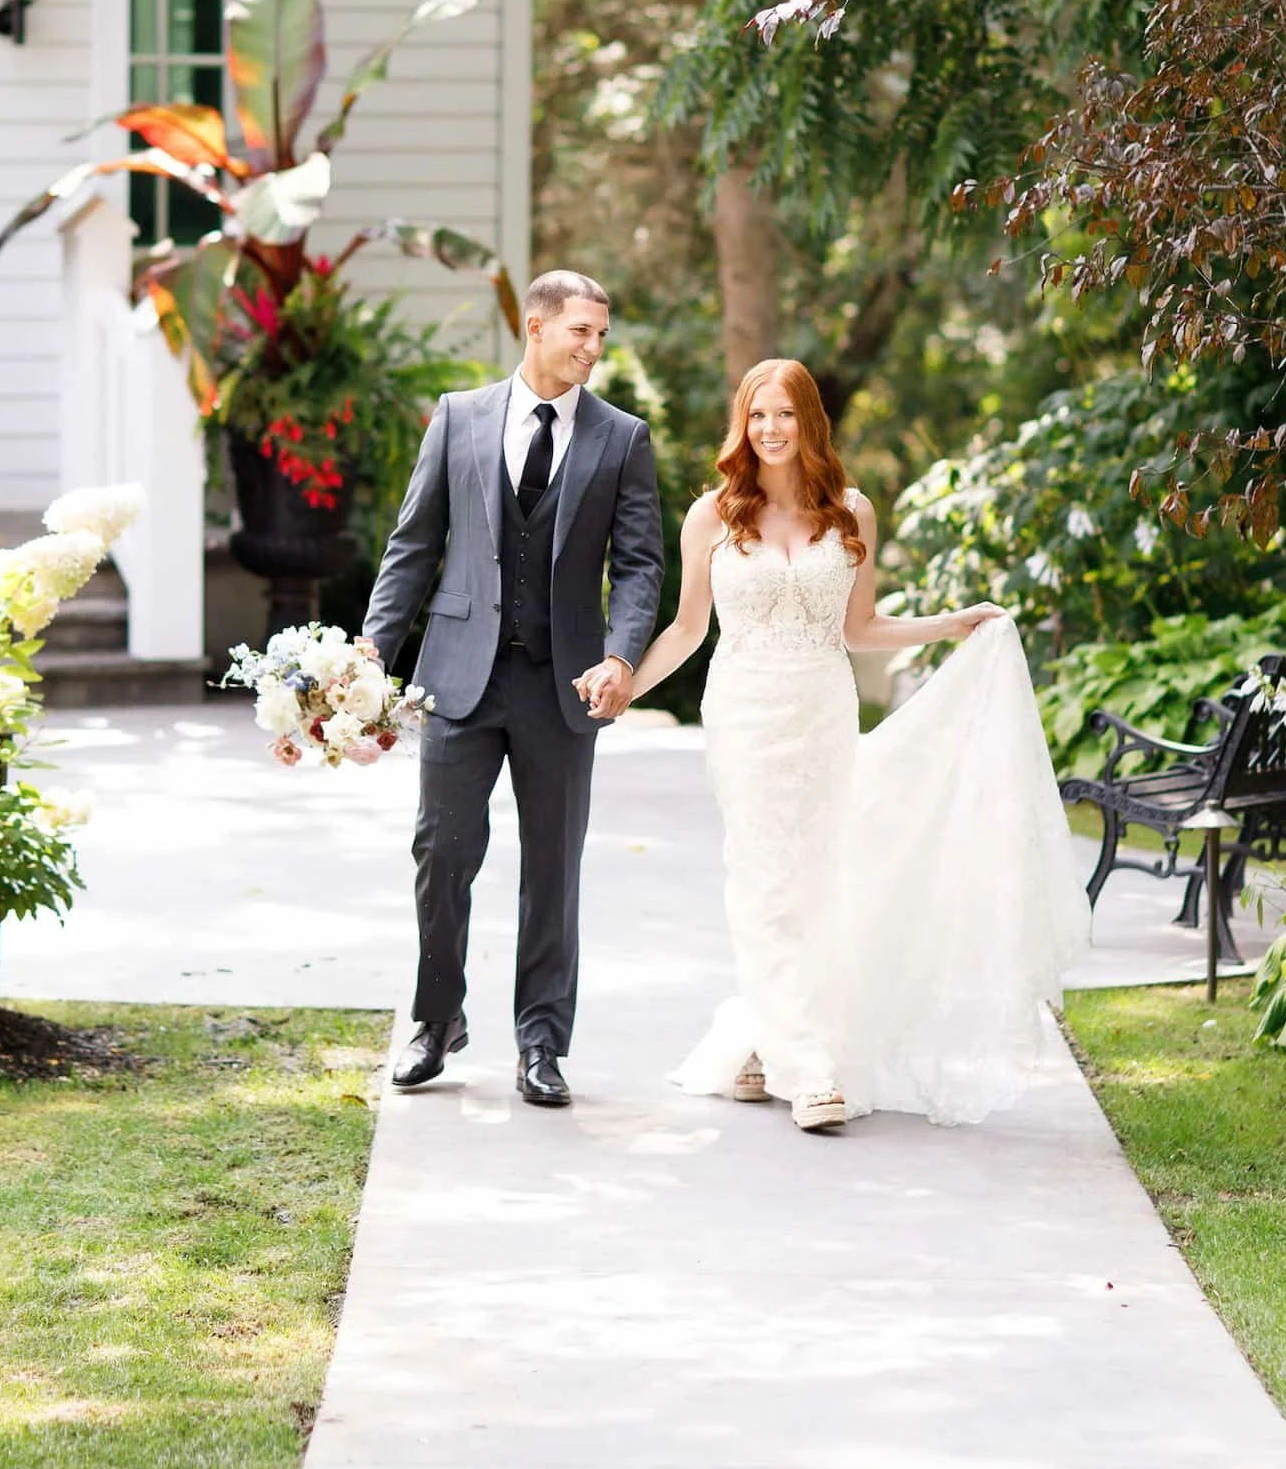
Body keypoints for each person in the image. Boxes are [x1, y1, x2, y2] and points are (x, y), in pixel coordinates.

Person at [597, 357, 1087, 1132]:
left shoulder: (850, 511)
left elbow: (859, 630)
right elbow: (689, 629)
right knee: (763, 879)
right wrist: (627, 683)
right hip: (746, 710)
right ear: (742, 424)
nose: (770, 429)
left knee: (819, 877)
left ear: (810, 421)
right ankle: (811, 1068)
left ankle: (763, 1035)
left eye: (785, 414)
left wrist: (952, 625)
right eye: (758, 415)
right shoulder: (712, 516)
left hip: (822, 710)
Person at [364, 269, 664, 1108]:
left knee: (553, 870)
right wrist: (373, 651)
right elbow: (412, 546)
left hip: (563, 685)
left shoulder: (623, 439)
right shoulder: (458, 417)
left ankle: (541, 1044)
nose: (594, 349)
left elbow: (640, 566)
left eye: (602, 335)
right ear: (536, 328)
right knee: (441, 855)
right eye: (581, 332)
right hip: (459, 678)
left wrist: (621, 656)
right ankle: (435, 1023)